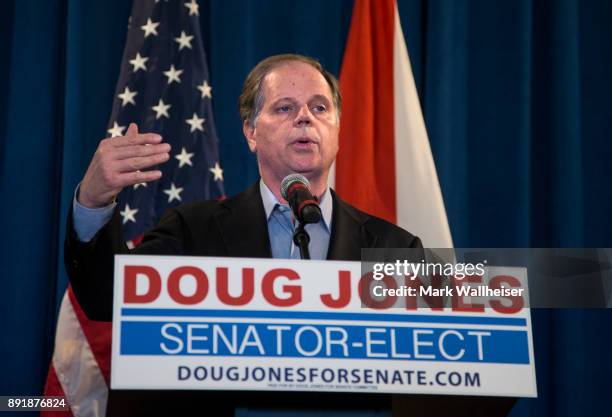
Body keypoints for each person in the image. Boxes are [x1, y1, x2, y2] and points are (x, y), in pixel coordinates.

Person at [65, 54, 422, 416]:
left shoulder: (394, 247)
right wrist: (93, 201)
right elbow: (104, 297)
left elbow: (422, 368)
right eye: (285, 108)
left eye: (319, 107)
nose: (304, 117)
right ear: (251, 132)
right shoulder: (192, 232)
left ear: (337, 129)